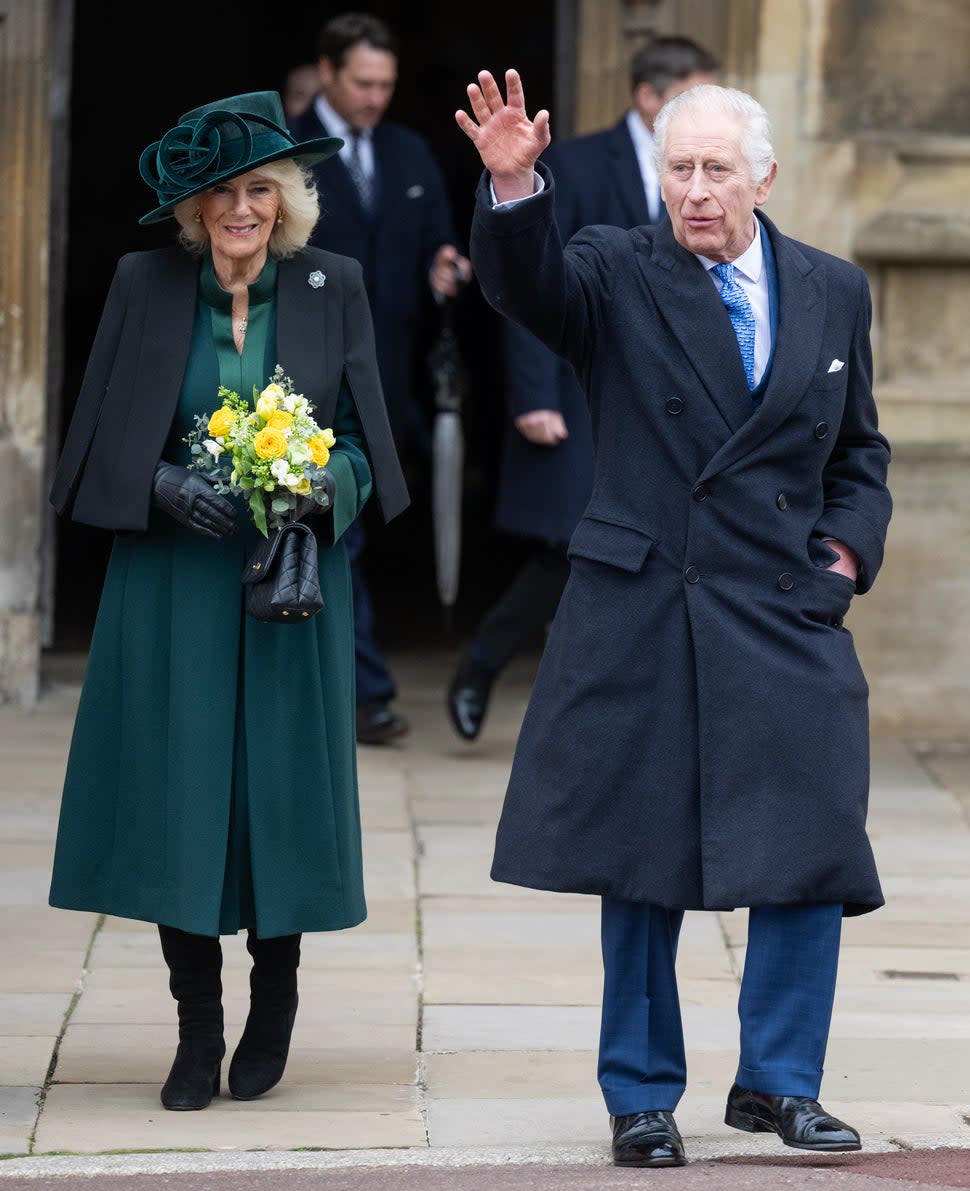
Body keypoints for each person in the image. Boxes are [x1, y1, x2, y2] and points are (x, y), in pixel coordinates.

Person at [456, 70, 892, 1166]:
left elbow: (861, 454)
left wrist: (841, 554)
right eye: (678, 169)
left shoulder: (834, 289)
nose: (694, 191)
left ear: (763, 178)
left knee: (809, 846)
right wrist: (514, 187)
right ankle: (640, 1097)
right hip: (646, 602)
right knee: (640, 861)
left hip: (785, 609)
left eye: (714, 171)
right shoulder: (613, 266)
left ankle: (783, 1084)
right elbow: (528, 287)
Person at [47, 90, 409, 1112]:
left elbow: (372, 447)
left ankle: (276, 999)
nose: (240, 210)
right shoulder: (142, 282)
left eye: (260, 191)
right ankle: (195, 1032)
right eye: (221, 193)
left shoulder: (332, 284)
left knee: (279, 797)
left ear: (288, 202)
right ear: (193, 208)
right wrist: (157, 482)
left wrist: (317, 488)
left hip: (289, 578)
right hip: (172, 580)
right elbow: (92, 443)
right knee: (180, 798)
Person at [447, 36, 720, 742]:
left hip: (667, 395)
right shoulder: (571, 159)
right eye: (694, 96)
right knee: (570, 542)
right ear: (649, 96)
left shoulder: (716, 175)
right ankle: (483, 663)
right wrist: (534, 394)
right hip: (574, 384)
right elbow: (535, 288)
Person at [289, 11, 471, 745]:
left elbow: (439, 246)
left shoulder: (410, 150)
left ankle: (346, 684)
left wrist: (446, 269)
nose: (374, 97)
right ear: (327, 72)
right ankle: (363, 691)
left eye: (386, 84)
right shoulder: (284, 149)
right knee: (331, 532)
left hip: (387, 379)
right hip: (298, 379)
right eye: (362, 82)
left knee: (356, 531)